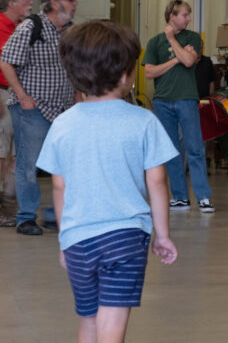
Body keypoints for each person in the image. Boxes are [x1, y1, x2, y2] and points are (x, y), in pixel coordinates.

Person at [36, 19, 178, 343]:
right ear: (126, 75)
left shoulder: (62, 124)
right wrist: (163, 236)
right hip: (125, 238)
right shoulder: (144, 121)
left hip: (78, 240)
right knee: (112, 320)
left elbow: (59, 188)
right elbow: (157, 183)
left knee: (88, 319)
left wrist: (65, 239)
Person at [0, 0, 81, 236]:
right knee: (29, 164)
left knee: (65, 164)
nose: (75, 4)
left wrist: (79, 98)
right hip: (32, 109)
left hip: (63, 110)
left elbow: (74, 69)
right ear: (56, 2)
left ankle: (59, 213)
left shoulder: (69, 32)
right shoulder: (30, 28)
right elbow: (6, 63)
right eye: (71, 0)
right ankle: (26, 218)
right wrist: (22, 96)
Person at [142, 0, 214, 213]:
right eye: (184, 15)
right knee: (171, 151)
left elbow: (190, 61)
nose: (188, 19)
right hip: (163, 101)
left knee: (195, 148)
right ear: (171, 16)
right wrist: (175, 60)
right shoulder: (155, 42)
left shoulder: (193, 38)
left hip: (186, 99)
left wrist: (172, 39)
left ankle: (203, 197)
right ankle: (180, 197)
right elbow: (148, 72)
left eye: (188, 15)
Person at [0, 0, 32, 227]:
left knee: (12, 155)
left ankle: (8, 206)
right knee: (1, 154)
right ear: (12, 3)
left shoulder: (21, 27)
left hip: (15, 94)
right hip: (2, 93)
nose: (30, 3)